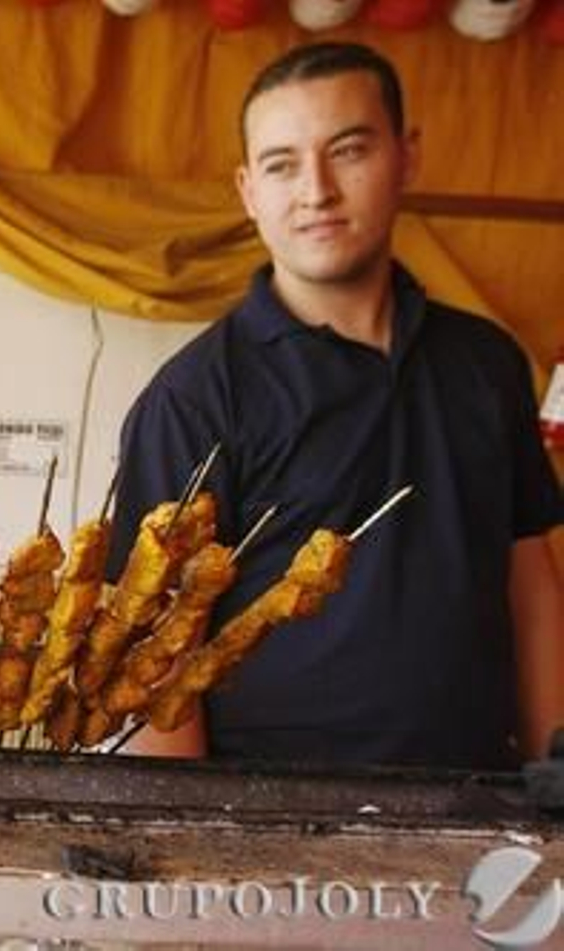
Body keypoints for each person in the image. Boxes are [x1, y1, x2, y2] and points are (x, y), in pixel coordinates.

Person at [109, 42, 564, 770]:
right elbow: (152, 651)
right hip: (270, 815)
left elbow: (528, 577)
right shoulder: (193, 399)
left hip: (480, 798)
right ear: (248, 190)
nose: (316, 190)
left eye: (348, 151)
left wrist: (553, 777)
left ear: (406, 157)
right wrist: (189, 831)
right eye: (281, 164)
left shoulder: (487, 363)